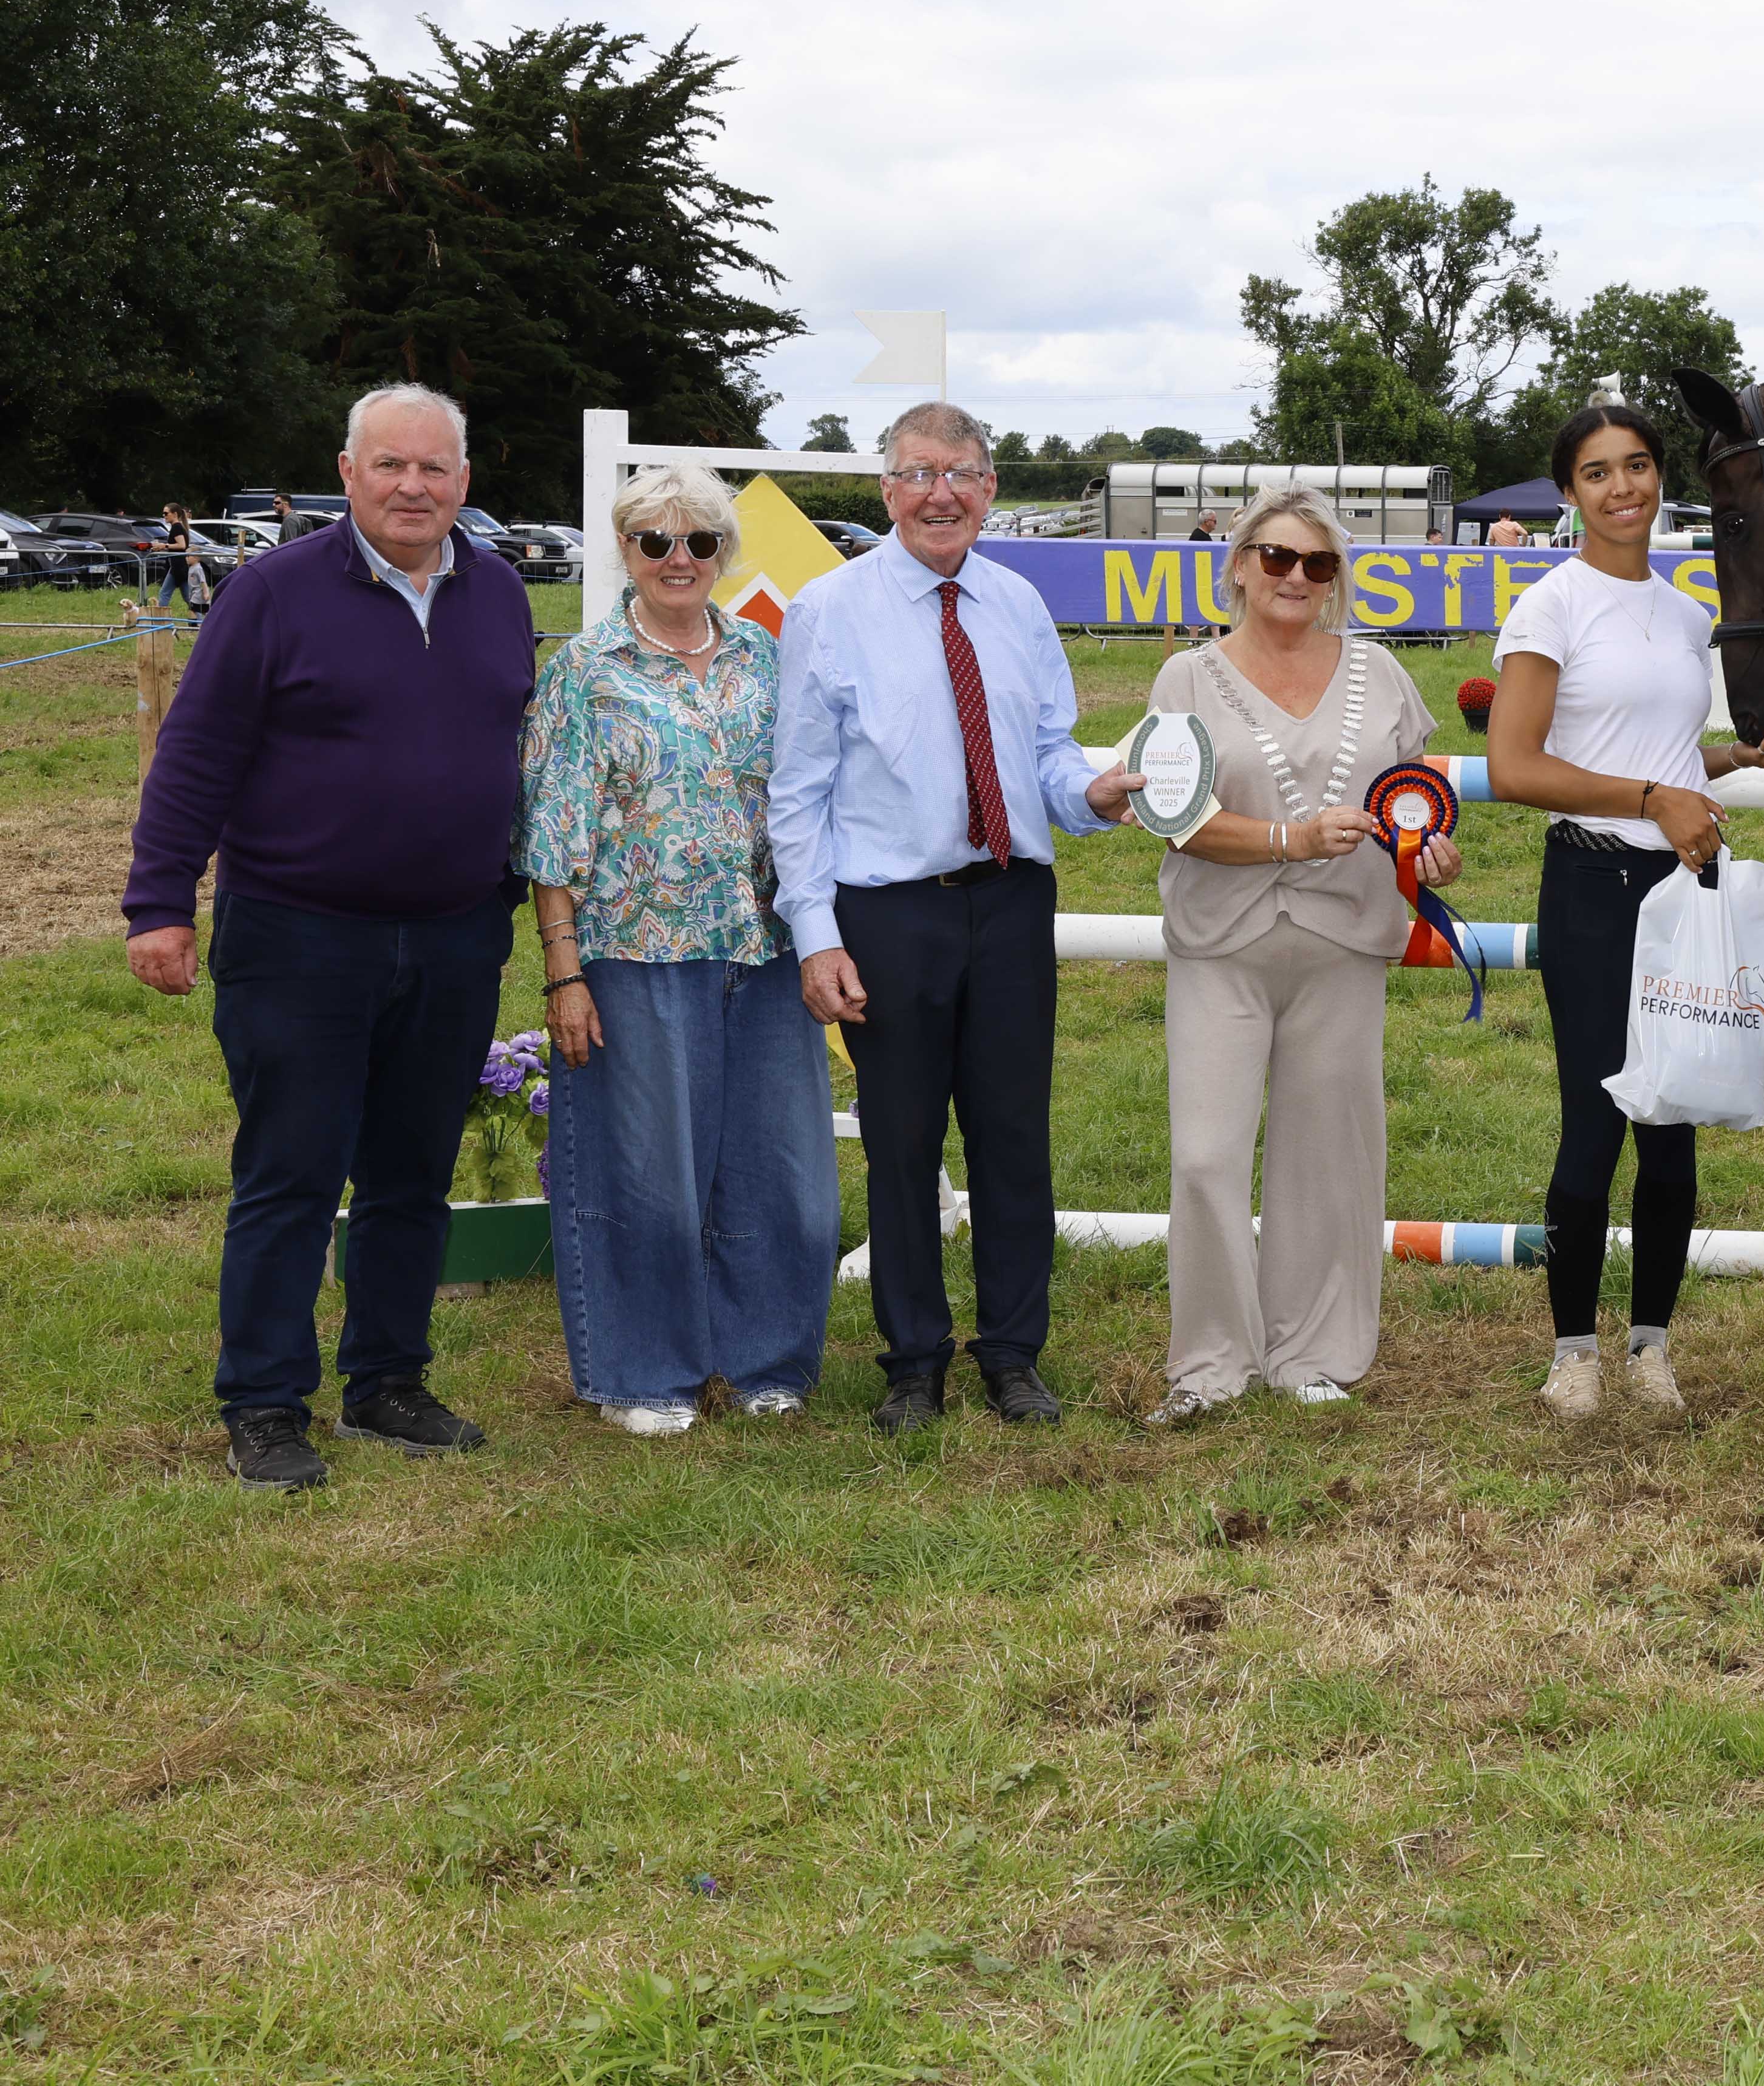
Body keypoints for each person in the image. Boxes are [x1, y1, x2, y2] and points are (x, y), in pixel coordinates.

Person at [121, 386, 536, 1490]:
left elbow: (516, 747)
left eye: (434, 468)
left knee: (412, 1174)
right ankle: (264, 1403)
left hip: (453, 937)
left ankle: (387, 1382)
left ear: (464, 482)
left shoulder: (499, 593)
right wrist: (159, 904)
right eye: (390, 465)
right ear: (347, 474)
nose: (413, 486)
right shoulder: (272, 592)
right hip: (299, 935)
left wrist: (505, 892)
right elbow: (197, 754)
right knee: (291, 1173)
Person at [766, 401, 1145, 1433]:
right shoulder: (828, 610)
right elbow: (796, 793)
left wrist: (1090, 794)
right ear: (887, 490)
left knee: (1014, 1135)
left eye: (962, 474)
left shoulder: (1018, 604)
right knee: (900, 1141)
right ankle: (913, 1362)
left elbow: (1049, 751)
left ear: (990, 488)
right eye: (920, 474)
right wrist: (816, 936)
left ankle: (1014, 1355)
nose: (942, 494)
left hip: (1012, 903)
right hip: (889, 914)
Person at [1485, 403, 1764, 1417]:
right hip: (1591, 885)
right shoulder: (1550, 608)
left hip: (1682, 888)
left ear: (1661, 478)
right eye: (1597, 472)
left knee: (1675, 1123)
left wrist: (1734, 758)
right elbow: (1515, 764)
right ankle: (1572, 1353)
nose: (1622, 487)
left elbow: (1659, 750)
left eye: (1637, 466)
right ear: (1568, 492)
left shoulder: (1685, 613)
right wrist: (1651, 799)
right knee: (1596, 1123)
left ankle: (1652, 1348)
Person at [520, 462, 836, 1437]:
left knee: (783, 1173)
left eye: (699, 540)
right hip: (634, 953)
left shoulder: (763, 657)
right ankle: (642, 1374)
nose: (679, 558)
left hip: (766, 948)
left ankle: (765, 1361)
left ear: (723, 552)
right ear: (626, 549)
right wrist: (564, 973)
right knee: (646, 1179)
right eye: (656, 540)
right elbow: (551, 835)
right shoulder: (586, 670)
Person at [1139, 489, 1456, 1420]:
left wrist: (1432, 851)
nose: (1296, 578)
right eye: (1277, 557)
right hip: (1219, 943)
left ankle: (1312, 1354)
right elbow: (1176, 819)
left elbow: (1416, 800)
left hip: (1344, 944)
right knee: (1205, 1157)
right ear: (1239, 565)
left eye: (1318, 564)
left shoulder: (1382, 673)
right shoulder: (1185, 680)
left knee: (1330, 1157)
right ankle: (1210, 1364)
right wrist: (1291, 839)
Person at [152, 503, 197, 610]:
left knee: (164, 594)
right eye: (163, 514)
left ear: (175, 514)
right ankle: (202, 617)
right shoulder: (178, 527)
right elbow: (179, 546)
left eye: (166, 513)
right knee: (188, 597)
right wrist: (163, 548)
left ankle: (161, 619)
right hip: (180, 566)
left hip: (178, 567)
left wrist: (165, 546)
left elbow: (182, 545)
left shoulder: (176, 527)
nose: (164, 516)